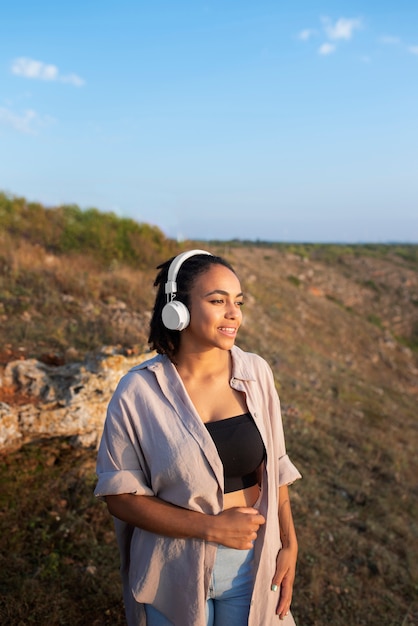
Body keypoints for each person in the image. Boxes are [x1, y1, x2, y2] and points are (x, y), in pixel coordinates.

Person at [95, 249, 302, 626]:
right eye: (217, 300)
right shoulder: (138, 391)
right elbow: (119, 497)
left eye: (237, 302)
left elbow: (275, 469)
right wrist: (211, 527)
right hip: (172, 568)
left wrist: (289, 542)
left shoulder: (256, 373)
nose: (233, 313)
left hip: (252, 564)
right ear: (178, 308)